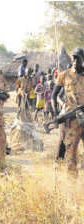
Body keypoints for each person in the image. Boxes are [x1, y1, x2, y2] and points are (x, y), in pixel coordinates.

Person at [51, 48, 84, 178]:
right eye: (73, 57)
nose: (75, 60)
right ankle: (72, 185)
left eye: (78, 57)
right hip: (72, 119)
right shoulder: (64, 75)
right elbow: (54, 95)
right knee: (70, 151)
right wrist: (56, 114)